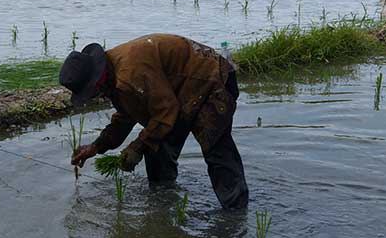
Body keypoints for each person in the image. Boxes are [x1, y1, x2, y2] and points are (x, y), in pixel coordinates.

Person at [59, 34, 249, 210]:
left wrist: (137, 147)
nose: (92, 96)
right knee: (156, 147)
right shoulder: (113, 78)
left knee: (216, 149)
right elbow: (126, 116)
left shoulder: (131, 73)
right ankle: (163, 207)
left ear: (97, 80)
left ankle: (235, 215)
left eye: (90, 92)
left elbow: (166, 111)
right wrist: (96, 147)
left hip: (210, 80)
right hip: (180, 94)